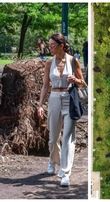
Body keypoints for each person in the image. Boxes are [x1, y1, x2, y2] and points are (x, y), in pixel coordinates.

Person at [37, 33, 85, 187]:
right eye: (49, 44)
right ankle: (53, 160)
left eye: (52, 45)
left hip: (69, 99)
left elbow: (82, 83)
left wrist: (75, 80)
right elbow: (45, 86)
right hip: (54, 99)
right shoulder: (48, 63)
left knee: (68, 139)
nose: (49, 47)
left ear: (61, 46)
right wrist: (40, 105)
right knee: (53, 138)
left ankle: (65, 173)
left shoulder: (73, 61)